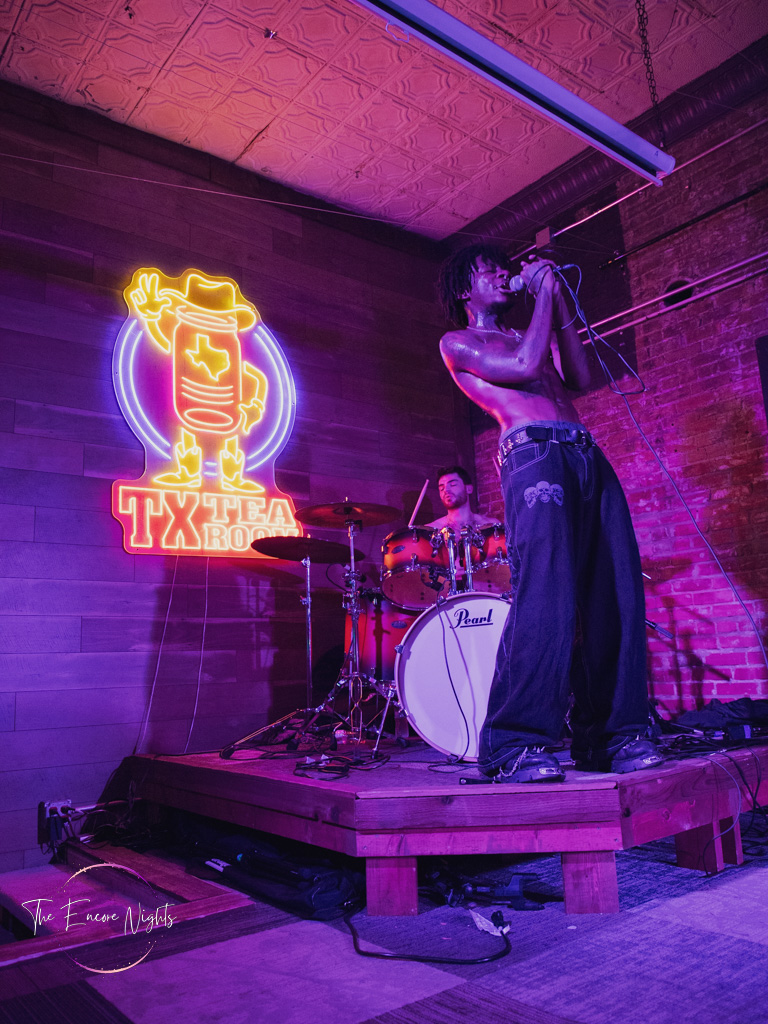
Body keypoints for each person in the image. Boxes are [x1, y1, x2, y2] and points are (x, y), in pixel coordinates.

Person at [437, 243, 661, 782]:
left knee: (615, 592)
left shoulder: (527, 331)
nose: (503, 275)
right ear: (466, 289)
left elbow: (578, 376)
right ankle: (514, 743)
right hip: (532, 453)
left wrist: (556, 301)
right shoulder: (460, 342)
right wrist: (542, 296)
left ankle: (612, 736)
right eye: (489, 271)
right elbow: (525, 367)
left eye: (504, 268)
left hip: (583, 451)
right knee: (547, 595)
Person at [425, 465, 498, 531]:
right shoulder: (432, 530)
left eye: (453, 484)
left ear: (469, 489)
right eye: (442, 488)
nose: (446, 490)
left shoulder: (491, 526)